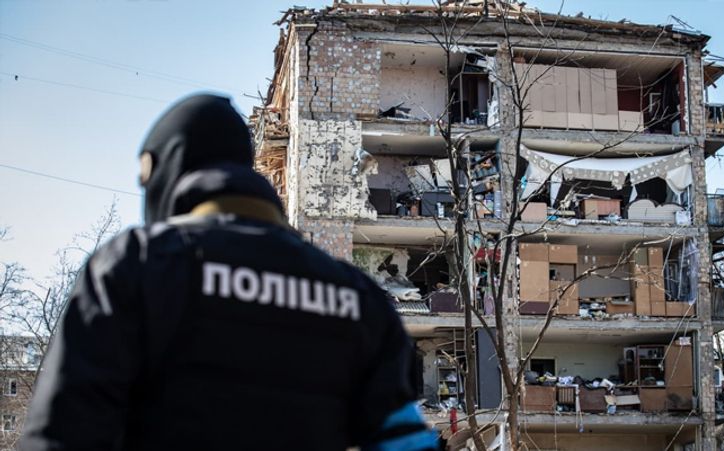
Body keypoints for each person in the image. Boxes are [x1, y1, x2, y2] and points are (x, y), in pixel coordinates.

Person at [20, 94, 440, 451]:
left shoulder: (136, 266)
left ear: (161, 173)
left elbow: (62, 435)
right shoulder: (357, 298)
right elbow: (404, 441)